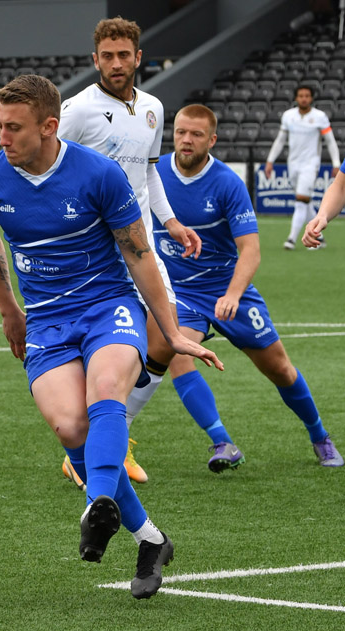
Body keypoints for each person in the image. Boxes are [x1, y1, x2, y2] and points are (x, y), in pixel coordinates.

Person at [0, 74, 222, 599]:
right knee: (69, 426)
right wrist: (9, 310)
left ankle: (96, 505)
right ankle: (151, 539)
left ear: (49, 126)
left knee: (106, 389)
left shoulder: (99, 174)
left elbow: (139, 253)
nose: (2, 138)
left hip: (109, 306)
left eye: (14, 128)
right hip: (45, 319)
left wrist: (170, 331)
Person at [151, 105, 342, 468]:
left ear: (212, 140)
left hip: (228, 289)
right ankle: (222, 442)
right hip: (181, 294)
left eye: (196, 134)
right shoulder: (153, 173)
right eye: (180, 132)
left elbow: (251, 251)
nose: (186, 140)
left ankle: (320, 436)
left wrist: (233, 294)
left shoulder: (227, 183)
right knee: (178, 354)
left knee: (279, 369)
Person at [57, 16, 201, 486]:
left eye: (124, 55)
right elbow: (53, 168)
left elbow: (149, 171)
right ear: (95, 59)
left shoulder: (153, 108)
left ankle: (115, 438)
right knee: (105, 353)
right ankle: (94, 446)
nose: (116, 63)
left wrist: (171, 221)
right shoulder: (77, 111)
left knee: (165, 336)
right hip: (93, 249)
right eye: (107, 56)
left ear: (138, 57)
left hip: (141, 242)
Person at [264, 85, 340, 250]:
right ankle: (319, 236)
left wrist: (336, 163)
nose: (304, 98)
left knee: (300, 200)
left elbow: (330, 141)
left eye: (307, 95)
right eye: (301, 96)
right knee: (305, 202)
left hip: (310, 165)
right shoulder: (288, 116)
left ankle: (291, 239)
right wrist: (270, 161)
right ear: (296, 98)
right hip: (292, 164)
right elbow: (280, 140)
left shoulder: (319, 117)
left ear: (311, 98)